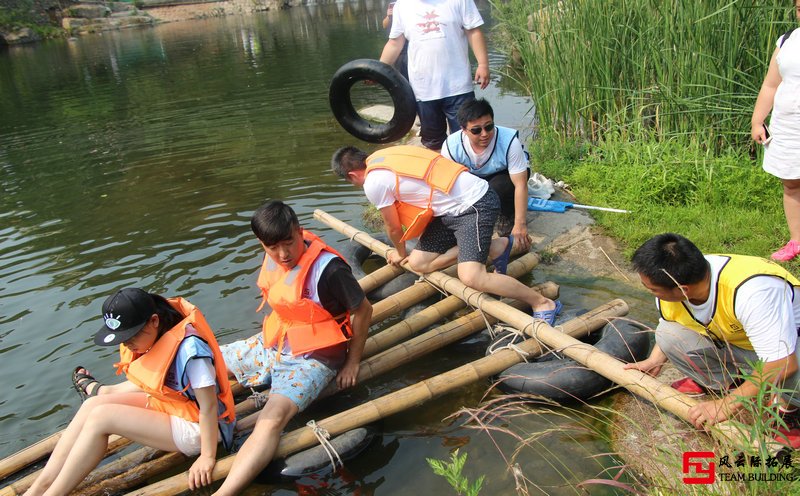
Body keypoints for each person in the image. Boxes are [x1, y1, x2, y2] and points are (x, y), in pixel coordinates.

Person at [213, 200, 372, 495]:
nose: (283, 254)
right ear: (262, 243)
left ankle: (223, 493)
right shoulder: (273, 255)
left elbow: (363, 310)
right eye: (273, 248)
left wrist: (352, 362)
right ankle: (103, 394)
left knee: (271, 419)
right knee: (208, 359)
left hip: (315, 356)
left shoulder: (330, 270)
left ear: (299, 232)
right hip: (277, 341)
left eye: (288, 243)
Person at [26, 288, 236, 495]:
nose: (127, 344)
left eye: (131, 336)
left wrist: (207, 456)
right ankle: (40, 487)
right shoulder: (158, 331)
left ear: (154, 321)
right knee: (92, 404)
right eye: (122, 338)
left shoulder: (191, 351)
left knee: (102, 418)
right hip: (174, 408)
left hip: (201, 429)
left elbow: (208, 407)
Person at [330, 145, 560, 324]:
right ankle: (495, 247)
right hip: (448, 210)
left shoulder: (373, 182)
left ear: (351, 175)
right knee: (420, 263)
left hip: (474, 204)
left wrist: (399, 254)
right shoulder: (384, 156)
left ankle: (542, 302)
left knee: (472, 277)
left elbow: (392, 227)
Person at [623, 233, 800, 444]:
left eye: (652, 289)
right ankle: (725, 382)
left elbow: (783, 362)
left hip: (789, 350)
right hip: (742, 343)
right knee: (667, 335)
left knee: (790, 367)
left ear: (682, 290)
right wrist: (654, 361)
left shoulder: (752, 292)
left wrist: (727, 405)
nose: (652, 293)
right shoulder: (680, 275)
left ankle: (789, 410)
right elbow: (674, 321)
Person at [379, 0, 490, 151]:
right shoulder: (402, 6)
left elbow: (473, 31)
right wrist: (377, 71)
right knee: (433, 142)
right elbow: (395, 43)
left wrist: (483, 64)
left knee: (468, 139)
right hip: (423, 90)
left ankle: (471, 173)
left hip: (458, 86)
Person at [441, 98, 531, 245]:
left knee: (498, 188)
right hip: (471, 178)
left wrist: (520, 224)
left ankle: (507, 213)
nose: (484, 134)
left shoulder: (509, 141)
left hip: (502, 176)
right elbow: (446, 185)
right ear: (463, 130)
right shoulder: (451, 146)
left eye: (489, 127)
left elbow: (520, 185)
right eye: (476, 130)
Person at [751, 3, 800, 261]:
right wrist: (758, 120)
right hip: (789, 127)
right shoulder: (788, 39)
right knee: (791, 183)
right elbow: (771, 84)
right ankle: (796, 241)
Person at [382, 2, 409, 80]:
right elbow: (384, 25)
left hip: (407, 48)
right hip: (396, 50)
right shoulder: (393, 4)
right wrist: (388, 16)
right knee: (399, 78)